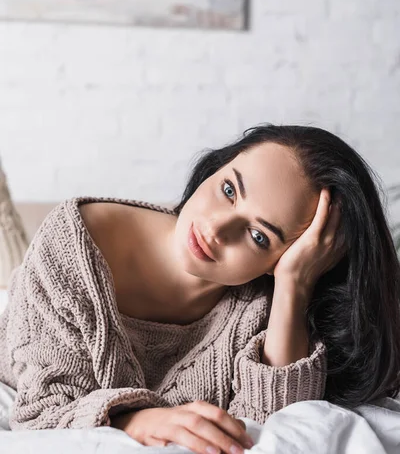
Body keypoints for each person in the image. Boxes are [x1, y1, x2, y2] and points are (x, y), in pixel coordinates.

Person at [0, 123, 399, 454]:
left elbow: (275, 431)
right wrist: (135, 419)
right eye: (229, 190)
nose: (216, 229)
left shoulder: (261, 303)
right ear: (217, 166)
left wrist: (294, 284)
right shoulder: (75, 243)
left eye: (259, 236)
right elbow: (41, 415)